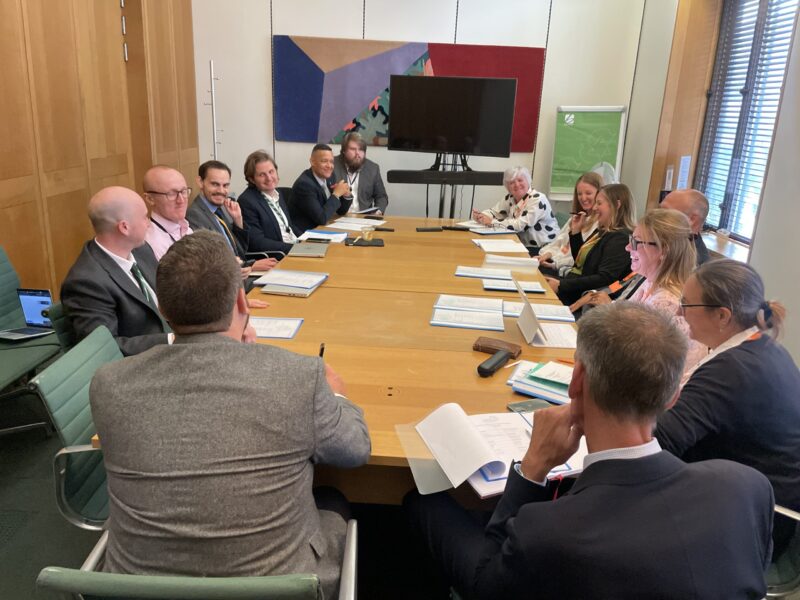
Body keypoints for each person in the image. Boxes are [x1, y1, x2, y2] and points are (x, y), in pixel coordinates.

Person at [404, 302, 773, 600]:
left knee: (422, 501)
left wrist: (531, 469)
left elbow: (486, 584)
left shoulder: (548, 530)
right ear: (674, 395)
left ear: (576, 379)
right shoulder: (747, 488)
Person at [89, 230, 371, 599]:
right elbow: (355, 450)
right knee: (332, 498)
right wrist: (335, 393)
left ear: (162, 309)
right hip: (279, 588)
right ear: (242, 299)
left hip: (139, 589)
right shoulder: (300, 377)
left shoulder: (108, 383)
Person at [655, 258, 800, 555]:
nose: (680, 312)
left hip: (751, 524)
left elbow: (662, 442)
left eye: (687, 304)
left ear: (722, 316)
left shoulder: (730, 369)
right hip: (757, 503)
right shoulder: (765, 347)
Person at [571, 209, 707, 380]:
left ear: (663, 250)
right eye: (630, 240)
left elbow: (635, 367)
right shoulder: (649, 281)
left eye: (635, 242)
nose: (628, 247)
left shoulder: (666, 303)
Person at [61, 186, 171, 356]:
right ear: (124, 227)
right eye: (144, 217)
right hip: (142, 365)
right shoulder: (86, 283)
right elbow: (105, 348)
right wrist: (170, 341)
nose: (148, 223)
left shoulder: (140, 250)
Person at [545, 183, 635, 305]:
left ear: (617, 205)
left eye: (599, 203)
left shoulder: (621, 238)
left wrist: (561, 285)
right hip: (571, 285)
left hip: (581, 295)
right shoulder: (603, 231)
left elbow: (604, 278)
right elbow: (582, 262)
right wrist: (576, 233)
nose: (594, 208)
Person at [186, 160, 277, 274]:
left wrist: (238, 221)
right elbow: (212, 263)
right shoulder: (195, 215)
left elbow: (240, 251)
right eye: (215, 184)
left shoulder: (222, 208)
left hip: (241, 272)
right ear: (200, 182)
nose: (221, 191)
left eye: (225, 185)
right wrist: (251, 265)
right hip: (228, 279)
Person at [471, 166, 559, 251]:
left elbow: (520, 225)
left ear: (528, 181)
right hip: (521, 245)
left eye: (520, 180)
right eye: (512, 182)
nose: (517, 184)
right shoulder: (510, 197)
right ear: (507, 187)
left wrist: (491, 222)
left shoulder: (538, 199)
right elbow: (494, 212)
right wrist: (481, 216)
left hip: (544, 249)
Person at [538, 172, 603, 276]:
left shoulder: (599, 224)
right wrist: (547, 254)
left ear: (600, 194)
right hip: (555, 262)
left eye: (588, 193)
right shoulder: (576, 218)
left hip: (565, 270)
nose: (583, 198)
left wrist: (554, 263)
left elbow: (579, 258)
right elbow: (558, 243)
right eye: (579, 194)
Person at [237, 150, 296, 258]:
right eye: (262, 175)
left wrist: (308, 240)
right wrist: (294, 248)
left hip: (293, 248)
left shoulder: (277, 194)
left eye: (271, 172)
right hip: (279, 256)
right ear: (252, 179)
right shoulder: (247, 201)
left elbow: (288, 227)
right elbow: (257, 242)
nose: (269, 178)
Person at [290, 144, 352, 235]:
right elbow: (321, 218)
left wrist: (346, 195)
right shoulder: (304, 185)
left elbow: (341, 211)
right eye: (324, 161)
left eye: (331, 162)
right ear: (312, 162)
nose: (329, 166)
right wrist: (336, 194)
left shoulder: (330, 177)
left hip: (325, 228)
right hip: (306, 234)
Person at [143, 166, 194, 260]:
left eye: (183, 191)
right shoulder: (151, 245)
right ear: (150, 199)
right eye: (172, 194)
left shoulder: (186, 228)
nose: (181, 200)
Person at [333, 132, 389, 215]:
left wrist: (378, 212)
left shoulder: (373, 168)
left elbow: (381, 197)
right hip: (337, 217)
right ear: (344, 150)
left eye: (361, 149)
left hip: (363, 218)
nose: (357, 154)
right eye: (353, 149)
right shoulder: (331, 165)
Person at [660, 188, 711, 265]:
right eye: (659, 210)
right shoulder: (667, 240)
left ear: (692, 220)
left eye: (666, 213)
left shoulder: (695, 268)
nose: (656, 217)